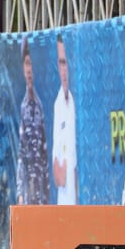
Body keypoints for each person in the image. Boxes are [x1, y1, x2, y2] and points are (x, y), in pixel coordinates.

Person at [17, 37, 50, 205]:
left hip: (44, 183)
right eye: (26, 64)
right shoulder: (24, 105)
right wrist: (20, 191)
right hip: (29, 184)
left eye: (32, 64)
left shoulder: (43, 103)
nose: (29, 70)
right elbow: (21, 153)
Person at [52, 34, 78, 205]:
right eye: (61, 63)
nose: (64, 70)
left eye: (66, 63)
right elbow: (57, 170)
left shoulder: (80, 99)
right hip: (64, 198)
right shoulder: (59, 102)